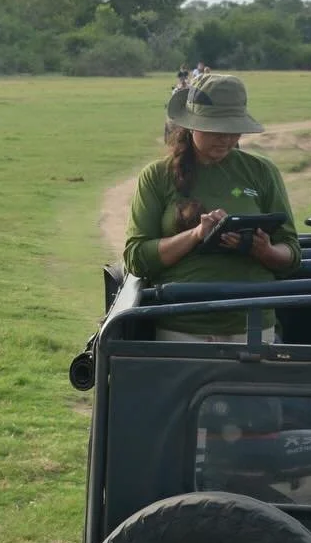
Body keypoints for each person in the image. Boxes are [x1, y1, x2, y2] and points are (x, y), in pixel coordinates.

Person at [125, 73, 301, 342]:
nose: (226, 139)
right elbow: (137, 257)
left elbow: (291, 253)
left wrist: (264, 251)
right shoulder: (157, 176)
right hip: (182, 324)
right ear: (190, 125)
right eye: (216, 130)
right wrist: (195, 235)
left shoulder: (261, 172)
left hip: (252, 324)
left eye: (233, 130)